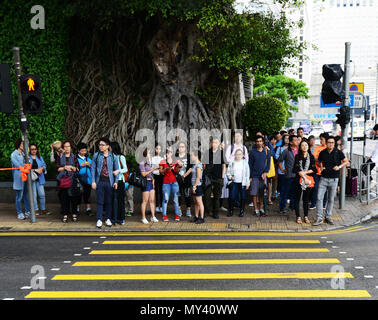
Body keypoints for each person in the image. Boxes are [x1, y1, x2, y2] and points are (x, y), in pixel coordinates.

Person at [313, 136, 349, 226]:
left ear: (334, 143)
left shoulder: (338, 152)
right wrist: (320, 167)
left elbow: (346, 161)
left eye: (332, 142)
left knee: (331, 199)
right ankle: (319, 217)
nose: (331, 144)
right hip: (323, 178)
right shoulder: (322, 152)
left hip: (334, 179)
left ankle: (328, 217)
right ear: (326, 143)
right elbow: (317, 161)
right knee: (319, 198)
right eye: (329, 142)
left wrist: (339, 167)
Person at [91, 137, 120, 228]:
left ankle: (108, 219)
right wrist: (93, 181)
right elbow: (93, 169)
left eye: (103, 145)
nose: (100, 146)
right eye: (99, 145)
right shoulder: (96, 155)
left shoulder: (113, 156)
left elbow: (117, 170)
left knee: (108, 201)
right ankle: (99, 219)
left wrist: (116, 182)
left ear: (107, 146)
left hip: (109, 182)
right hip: (99, 181)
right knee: (100, 201)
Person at [56, 141, 80, 223]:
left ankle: (74, 213)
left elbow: (78, 169)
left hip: (72, 179)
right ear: (63, 148)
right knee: (64, 198)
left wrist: (73, 168)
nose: (67, 148)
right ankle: (65, 214)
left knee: (73, 198)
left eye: (68, 146)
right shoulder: (60, 157)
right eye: (65, 146)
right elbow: (57, 169)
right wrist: (65, 167)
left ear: (71, 148)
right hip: (63, 180)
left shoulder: (74, 157)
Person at [293, 140, 316, 224]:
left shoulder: (311, 157)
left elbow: (314, 169)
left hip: (308, 180)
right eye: (302, 145)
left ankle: (306, 216)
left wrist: (305, 173)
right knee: (297, 199)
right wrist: (303, 176)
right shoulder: (297, 156)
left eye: (306, 145)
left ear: (308, 146)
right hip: (298, 180)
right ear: (300, 147)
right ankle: (298, 216)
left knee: (306, 199)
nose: (304, 147)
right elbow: (295, 169)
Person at [203, 137, 226, 219]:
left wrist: (222, 177)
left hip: (218, 177)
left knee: (217, 197)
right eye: (213, 142)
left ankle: (215, 213)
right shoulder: (207, 152)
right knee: (206, 196)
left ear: (218, 143)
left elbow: (224, 166)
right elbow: (204, 166)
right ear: (210, 143)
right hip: (208, 177)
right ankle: (206, 211)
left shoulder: (221, 153)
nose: (214, 144)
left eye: (216, 142)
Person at [249, 136, 270, 216]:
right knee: (254, 193)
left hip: (263, 176)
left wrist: (265, 172)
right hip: (254, 175)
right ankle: (255, 209)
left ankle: (261, 208)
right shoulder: (252, 152)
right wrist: (250, 176)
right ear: (255, 142)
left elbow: (268, 164)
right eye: (257, 141)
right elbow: (250, 165)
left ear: (263, 142)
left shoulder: (266, 151)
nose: (259, 142)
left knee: (262, 193)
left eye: (260, 141)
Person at [278, 135, 299, 214]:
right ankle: (282, 207)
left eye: (297, 140)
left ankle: (292, 206)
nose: (297, 141)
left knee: (294, 192)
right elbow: (279, 160)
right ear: (290, 142)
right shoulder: (286, 151)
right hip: (288, 175)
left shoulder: (299, 150)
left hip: (297, 175)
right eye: (295, 140)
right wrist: (282, 169)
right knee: (284, 192)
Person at [159, 147, 181, 222]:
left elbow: (177, 172)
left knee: (175, 199)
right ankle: (164, 215)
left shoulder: (175, 161)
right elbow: (160, 171)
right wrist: (166, 169)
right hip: (166, 183)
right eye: (166, 152)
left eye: (169, 152)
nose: (167, 154)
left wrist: (179, 166)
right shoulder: (162, 161)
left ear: (172, 153)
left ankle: (177, 214)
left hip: (174, 182)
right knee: (165, 199)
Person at [228, 149, 250, 217]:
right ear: (235, 155)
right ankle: (231, 211)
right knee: (232, 197)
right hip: (234, 183)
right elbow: (228, 172)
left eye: (240, 154)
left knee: (242, 197)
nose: (238, 155)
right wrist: (230, 177)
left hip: (242, 183)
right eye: (237, 154)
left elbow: (247, 174)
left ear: (243, 155)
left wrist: (247, 183)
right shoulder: (232, 162)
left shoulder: (245, 163)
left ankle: (241, 211)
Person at [11, 138, 30, 220]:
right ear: (18, 144)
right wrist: (24, 167)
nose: (24, 146)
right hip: (19, 178)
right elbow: (18, 165)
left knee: (26, 195)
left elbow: (28, 163)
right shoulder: (13, 154)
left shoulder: (24, 153)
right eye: (22, 144)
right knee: (19, 196)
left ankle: (27, 211)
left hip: (26, 176)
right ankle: (19, 213)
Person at [139, 148, 159, 224]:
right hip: (146, 182)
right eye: (149, 153)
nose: (150, 155)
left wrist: (153, 180)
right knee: (145, 201)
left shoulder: (149, 162)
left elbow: (151, 174)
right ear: (145, 154)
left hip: (151, 182)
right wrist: (152, 170)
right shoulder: (142, 163)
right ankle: (143, 217)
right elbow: (143, 174)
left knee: (152, 200)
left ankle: (153, 216)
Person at [110, 141, 128, 225]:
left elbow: (125, 169)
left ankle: (121, 218)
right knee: (112, 200)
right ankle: (113, 217)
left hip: (120, 181)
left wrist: (118, 171)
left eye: (110, 147)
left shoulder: (121, 157)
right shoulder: (109, 157)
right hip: (111, 181)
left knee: (120, 200)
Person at [29, 143, 50, 216]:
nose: (34, 150)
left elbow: (44, 165)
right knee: (34, 195)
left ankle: (43, 209)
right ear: (29, 150)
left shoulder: (39, 157)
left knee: (42, 194)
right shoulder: (28, 158)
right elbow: (27, 168)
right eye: (32, 149)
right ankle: (36, 210)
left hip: (40, 178)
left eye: (35, 149)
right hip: (32, 179)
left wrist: (42, 168)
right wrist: (35, 170)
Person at [310, 132, 329, 210]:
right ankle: (313, 203)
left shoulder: (328, 148)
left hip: (325, 172)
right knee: (315, 187)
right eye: (320, 140)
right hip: (317, 172)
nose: (321, 141)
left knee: (325, 189)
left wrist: (319, 159)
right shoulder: (318, 148)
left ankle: (324, 204)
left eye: (322, 140)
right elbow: (314, 157)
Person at [174, 141, 193, 218]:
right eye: (180, 147)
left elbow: (191, 168)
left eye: (183, 147)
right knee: (178, 195)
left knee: (187, 195)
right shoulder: (175, 156)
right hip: (177, 179)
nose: (181, 148)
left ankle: (188, 209)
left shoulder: (188, 156)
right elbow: (173, 168)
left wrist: (184, 175)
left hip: (187, 179)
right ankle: (179, 210)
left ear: (185, 148)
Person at [76, 142, 93, 216]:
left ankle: (88, 209)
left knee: (87, 195)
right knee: (78, 195)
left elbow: (93, 167)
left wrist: (90, 165)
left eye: (85, 151)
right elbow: (73, 167)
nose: (84, 152)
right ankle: (77, 209)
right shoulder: (75, 159)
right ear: (78, 151)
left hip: (87, 180)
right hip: (78, 180)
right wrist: (81, 165)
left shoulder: (88, 158)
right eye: (82, 151)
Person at [190, 150, 205, 224]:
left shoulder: (198, 165)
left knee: (199, 202)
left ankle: (202, 218)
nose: (191, 157)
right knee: (195, 202)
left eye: (192, 155)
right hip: (194, 185)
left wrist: (194, 186)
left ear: (196, 156)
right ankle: (196, 216)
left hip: (197, 186)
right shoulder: (194, 165)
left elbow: (198, 177)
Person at [275, 134, 289, 198]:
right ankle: (282, 195)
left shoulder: (291, 148)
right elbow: (277, 157)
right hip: (281, 169)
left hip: (289, 169)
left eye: (288, 138)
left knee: (288, 184)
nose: (287, 140)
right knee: (282, 183)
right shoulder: (280, 148)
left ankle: (287, 196)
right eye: (286, 138)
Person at [151, 144, 164, 213]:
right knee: (156, 191)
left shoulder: (162, 158)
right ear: (155, 149)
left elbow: (163, 168)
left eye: (159, 149)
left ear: (161, 150)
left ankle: (161, 206)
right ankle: (156, 206)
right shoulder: (152, 158)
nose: (158, 150)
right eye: (156, 148)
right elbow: (152, 168)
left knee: (161, 191)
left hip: (161, 175)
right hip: (154, 176)